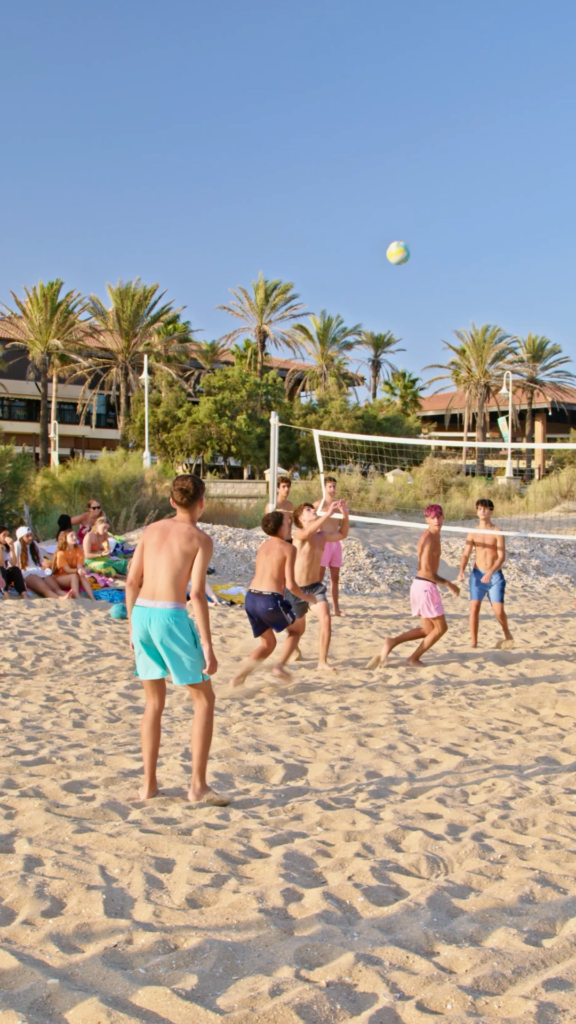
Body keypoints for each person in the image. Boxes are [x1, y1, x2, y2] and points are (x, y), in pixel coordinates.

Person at [125, 473, 228, 806]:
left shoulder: (151, 530)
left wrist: (131, 627)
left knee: (153, 702)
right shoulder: (200, 539)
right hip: (171, 614)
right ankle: (197, 786)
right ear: (201, 503)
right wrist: (209, 645)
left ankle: (148, 785)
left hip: (141, 614)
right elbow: (196, 594)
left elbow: (131, 582)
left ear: (172, 501)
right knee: (203, 699)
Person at [230, 510, 317, 687]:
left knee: (268, 644)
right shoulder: (289, 548)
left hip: (251, 598)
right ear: (279, 527)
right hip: (269, 600)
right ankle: (279, 667)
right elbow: (291, 584)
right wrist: (306, 597)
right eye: (288, 522)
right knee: (296, 631)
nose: (290, 525)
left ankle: (239, 678)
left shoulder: (264, 546)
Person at [367, 504, 460, 668]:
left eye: (439, 517)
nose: (437, 520)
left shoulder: (435, 536)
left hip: (420, 585)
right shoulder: (429, 539)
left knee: (427, 629)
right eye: (433, 518)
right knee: (441, 628)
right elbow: (426, 571)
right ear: (427, 520)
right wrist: (449, 584)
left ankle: (392, 641)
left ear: (443, 517)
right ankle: (413, 658)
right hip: (425, 586)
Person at [285, 499, 350, 671]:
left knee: (326, 619)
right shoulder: (298, 534)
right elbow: (306, 534)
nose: (313, 511)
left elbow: (342, 534)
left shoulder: (322, 536)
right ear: (301, 518)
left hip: (314, 588)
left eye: (312, 509)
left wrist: (345, 516)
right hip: (296, 590)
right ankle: (294, 649)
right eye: (308, 510)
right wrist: (327, 514)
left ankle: (322, 662)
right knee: (298, 631)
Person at [457, 497, 513, 649]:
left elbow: (502, 557)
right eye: (479, 508)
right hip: (477, 574)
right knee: (474, 607)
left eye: (485, 508)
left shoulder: (497, 531)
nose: (482, 511)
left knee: (498, 611)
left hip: (494, 575)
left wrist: (490, 572)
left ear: (491, 511)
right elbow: (466, 554)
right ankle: (474, 642)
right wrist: (461, 570)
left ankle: (506, 630)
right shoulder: (473, 532)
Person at [314, 477, 346, 615]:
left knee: (335, 578)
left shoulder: (338, 505)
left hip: (336, 543)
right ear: (324, 488)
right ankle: (314, 606)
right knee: (319, 577)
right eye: (330, 487)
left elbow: (345, 520)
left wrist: (344, 509)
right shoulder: (317, 505)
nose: (333, 489)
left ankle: (336, 609)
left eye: (334, 486)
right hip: (323, 542)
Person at [13, 527, 69, 599]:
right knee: (45, 589)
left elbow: (40, 560)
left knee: (56, 588)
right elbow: (15, 563)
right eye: (27, 536)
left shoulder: (34, 544)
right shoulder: (17, 545)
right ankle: (59, 598)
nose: (30, 538)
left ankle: (67, 596)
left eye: (31, 535)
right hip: (26, 572)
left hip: (38, 569)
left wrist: (45, 565)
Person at [52, 531, 96, 601]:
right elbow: (67, 570)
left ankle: (93, 598)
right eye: (71, 536)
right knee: (74, 576)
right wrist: (78, 570)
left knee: (81, 575)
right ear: (65, 538)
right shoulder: (61, 553)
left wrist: (81, 570)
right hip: (60, 577)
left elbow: (79, 566)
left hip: (73, 575)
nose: (75, 537)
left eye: (75, 535)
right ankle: (77, 597)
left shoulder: (79, 550)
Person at [0, 527, 28, 598]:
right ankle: (5, 594)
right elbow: (1, 565)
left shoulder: (5, 547)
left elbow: (13, 563)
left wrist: (12, 548)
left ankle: (23, 593)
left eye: (7, 535)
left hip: (3, 577)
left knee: (15, 569)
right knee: (1, 569)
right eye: (4, 535)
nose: (6, 537)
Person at [265, 475, 294, 540]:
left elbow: (291, 523)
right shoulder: (271, 506)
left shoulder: (289, 505)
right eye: (283, 486)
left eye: (288, 486)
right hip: (277, 540)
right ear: (277, 489)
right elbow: (269, 526)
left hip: (289, 539)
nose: (287, 489)